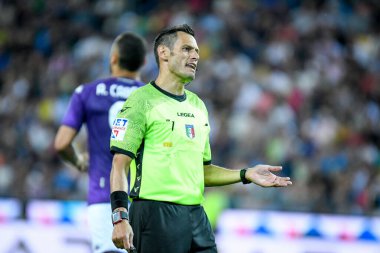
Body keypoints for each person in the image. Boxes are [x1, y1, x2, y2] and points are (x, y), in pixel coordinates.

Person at [109, 24, 292, 253]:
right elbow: (119, 164)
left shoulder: (198, 106)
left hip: (196, 216)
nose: (195, 56)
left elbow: (202, 171)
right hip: (155, 215)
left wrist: (246, 174)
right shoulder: (140, 101)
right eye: (186, 49)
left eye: (196, 51)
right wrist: (119, 218)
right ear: (163, 53)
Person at [54, 32, 146, 253]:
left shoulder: (87, 93)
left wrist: (78, 161)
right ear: (143, 62)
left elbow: (61, 143)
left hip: (106, 198)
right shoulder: (152, 97)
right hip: (149, 200)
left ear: (113, 58)